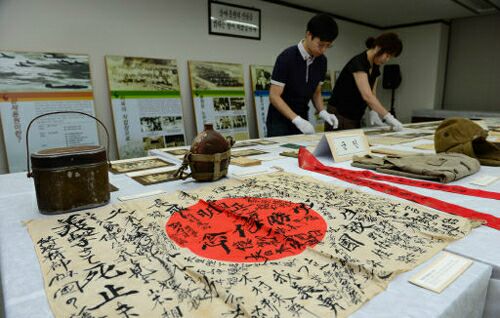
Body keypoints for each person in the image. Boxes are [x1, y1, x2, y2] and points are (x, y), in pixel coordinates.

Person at [266, 13, 339, 137]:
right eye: (321, 45)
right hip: (279, 120)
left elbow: (316, 92)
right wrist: (296, 120)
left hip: (302, 116)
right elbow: (274, 96)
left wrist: (322, 111)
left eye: (328, 46)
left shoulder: (322, 61)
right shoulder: (287, 57)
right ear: (309, 35)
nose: (323, 50)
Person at [326, 32, 404, 131]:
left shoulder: (375, 66)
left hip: (355, 115)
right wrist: (388, 117)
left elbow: (372, 93)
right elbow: (367, 95)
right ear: (378, 48)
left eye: (390, 57)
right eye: (387, 55)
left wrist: (373, 111)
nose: (387, 60)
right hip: (340, 114)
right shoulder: (359, 63)